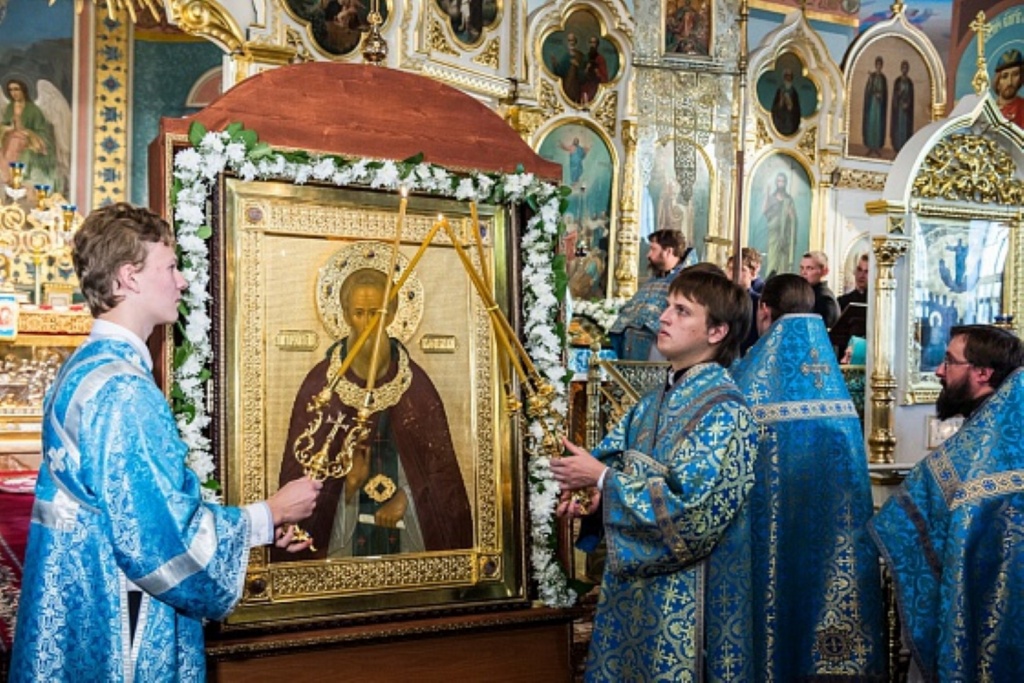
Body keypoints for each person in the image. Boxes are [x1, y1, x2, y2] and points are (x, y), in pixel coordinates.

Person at [9, 203, 322, 681]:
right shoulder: (124, 390)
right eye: (171, 267)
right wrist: (270, 513)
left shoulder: (85, 367)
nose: (183, 281)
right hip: (120, 615)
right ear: (128, 277)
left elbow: (140, 501)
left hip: (83, 599)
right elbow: (157, 538)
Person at [551, 268, 758, 681]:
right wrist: (596, 496)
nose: (663, 317)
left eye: (682, 311)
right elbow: (616, 464)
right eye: (667, 306)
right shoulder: (652, 403)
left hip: (690, 603)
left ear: (717, 332)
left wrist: (604, 480)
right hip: (633, 595)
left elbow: (693, 516)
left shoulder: (727, 413)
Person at [732, 274, 886, 682]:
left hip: (766, 537)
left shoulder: (746, 382)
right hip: (832, 538)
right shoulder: (834, 387)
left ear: (764, 310)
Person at [277, 267, 472, 560]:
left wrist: (407, 498)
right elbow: (301, 475)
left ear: (391, 315)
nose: (368, 325)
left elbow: (440, 477)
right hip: (342, 540)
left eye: (376, 314)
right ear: (345, 314)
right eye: (359, 313)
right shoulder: (322, 386)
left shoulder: (415, 384)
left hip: (407, 538)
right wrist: (347, 486)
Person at [870, 325, 1024, 681]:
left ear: (982, 373)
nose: (939, 371)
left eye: (949, 361)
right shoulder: (989, 436)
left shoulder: (974, 454)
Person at [607, 228, 687, 360]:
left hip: (658, 350)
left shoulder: (685, 281)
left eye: (653, 249)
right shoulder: (655, 280)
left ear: (668, 251)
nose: (648, 255)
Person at [0, 79, 58, 191]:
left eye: (16, 89)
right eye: (11, 90)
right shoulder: (10, 107)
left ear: (23, 90)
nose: (13, 93)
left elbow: (42, 132)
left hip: (28, 139)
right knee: (9, 143)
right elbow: (4, 125)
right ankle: (7, 178)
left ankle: (13, 179)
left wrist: (28, 133)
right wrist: (7, 128)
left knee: (15, 142)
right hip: (10, 136)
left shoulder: (34, 110)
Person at [726, 247, 763, 354]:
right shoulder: (720, 300)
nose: (734, 274)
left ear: (752, 273)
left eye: (741, 270)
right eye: (730, 269)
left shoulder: (758, 302)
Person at [763, 172, 798, 277]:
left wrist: (791, 216)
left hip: (785, 235)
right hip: (774, 233)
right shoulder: (771, 197)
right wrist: (767, 194)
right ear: (776, 183)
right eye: (779, 181)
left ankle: (782, 280)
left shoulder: (789, 199)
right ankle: (770, 279)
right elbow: (765, 212)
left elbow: (793, 218)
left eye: (782, 181)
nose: (780, 184)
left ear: (785, 183)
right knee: (772, 259)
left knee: (783, 260)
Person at [800, 250, 840, 328]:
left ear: (824, 271)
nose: (804, 272)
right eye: (802, 268)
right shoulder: (806, 294)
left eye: (809, 268)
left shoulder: (825, 299)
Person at [550, 32, 585, 105]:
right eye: (569, 40)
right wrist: (555, 64)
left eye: (572, 40)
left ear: (575, 42)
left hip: (576, 85)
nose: (571, 42)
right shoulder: (565, 56)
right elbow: (560, 72)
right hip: (567, 84)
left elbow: (584, 73)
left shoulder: (580, 55)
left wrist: (577, 65)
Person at [862, 56, 888, 157]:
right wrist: (874, 94)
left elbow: (885, 93)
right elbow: (868, 90)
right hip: (872, 105)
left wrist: (881, 96)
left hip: (879, 106)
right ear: (875, 65)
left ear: (882, 66)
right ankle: (870, 146)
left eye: (880, 64)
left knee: (878, 125)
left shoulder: (883, 78)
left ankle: (876, 147)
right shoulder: (872, 77)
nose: (878, 66)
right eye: (877, 64)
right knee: (871, 123)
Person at [993, 48, 1024, 128]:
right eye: (1005, 76)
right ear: (998, 81)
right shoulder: (990, 109)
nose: (1009, 82)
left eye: (1015, 74)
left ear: (1021, 78)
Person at [890, 59, 914, 153]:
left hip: (906, 110)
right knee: (898, 128)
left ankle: (904, 148)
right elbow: (895, 95)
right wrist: (898, 96)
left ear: (908, 69)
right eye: (903, 67)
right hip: (899, 109)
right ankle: (897, 146)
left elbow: (911, 96)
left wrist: (907, 104)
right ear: (901, 69)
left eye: (906, 68)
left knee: (905, 128)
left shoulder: (909, 82)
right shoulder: (898, 81)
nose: (904, 69)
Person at [771, 68, 802, 136]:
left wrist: (790, 105)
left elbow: (797, 109)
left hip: (790, 121)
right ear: (784, 77)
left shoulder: (794, 92)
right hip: (780, 119)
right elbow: (775, 107)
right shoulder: (780, 90)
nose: (788, 78)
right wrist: (781, 101)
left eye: (790, 76)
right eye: (787, 76)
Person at [580, 36, 609, 105]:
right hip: (586, 86)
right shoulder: (585, 57)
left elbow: (605, 78)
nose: (592, 45)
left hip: (595, 86)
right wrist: (586, 69)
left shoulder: (600, 59)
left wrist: (597, 72)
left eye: (594, 43)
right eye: (591, 42)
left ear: (597, 45)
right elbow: (580, 74)